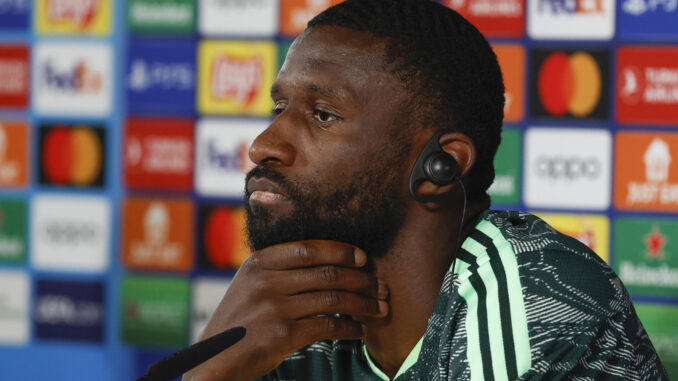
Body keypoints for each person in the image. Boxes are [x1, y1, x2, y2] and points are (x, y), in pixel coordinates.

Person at [184, 0, 668, 380]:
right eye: (278, 109)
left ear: (437, 167)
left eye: (323, 115)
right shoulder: (293, 314)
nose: (262, 146)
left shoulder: (531, 294)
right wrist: (210, 368)